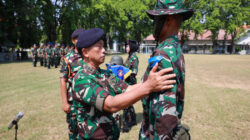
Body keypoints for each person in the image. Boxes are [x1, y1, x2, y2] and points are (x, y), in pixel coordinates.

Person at [72, 28, 176, 139]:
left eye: (103, 46)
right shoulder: (82, 79)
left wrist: (151, 81)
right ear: (85, 52)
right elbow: (111, 104)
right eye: (99, 47)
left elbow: (128, 88)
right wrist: (148, 86)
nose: (104, 50)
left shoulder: (105, 74)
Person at [139, 0, 194, 139]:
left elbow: (163, 112)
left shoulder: (162, 54)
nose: (154, 24)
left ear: (168, 20)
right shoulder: (175, 49)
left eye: (157, 19)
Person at [59, 28, 85, 140]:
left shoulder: (89, 55)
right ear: (73, 41)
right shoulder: (67, 59)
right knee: (73, 132)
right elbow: (63, 80)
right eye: (79, 39)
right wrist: (65, 103)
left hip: (90, 101)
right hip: (74, 103)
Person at [122, 40, 139, 132]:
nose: (126, 48)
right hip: (126, 83)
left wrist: (126, 72)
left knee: (125, 104)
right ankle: (133, 120)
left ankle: (126, 126)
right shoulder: (129, 57)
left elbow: (135, 72)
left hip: (130, 83)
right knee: (129, 103)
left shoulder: (134, 57)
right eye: (126, 46)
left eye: (127, 46)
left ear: (132, 47)